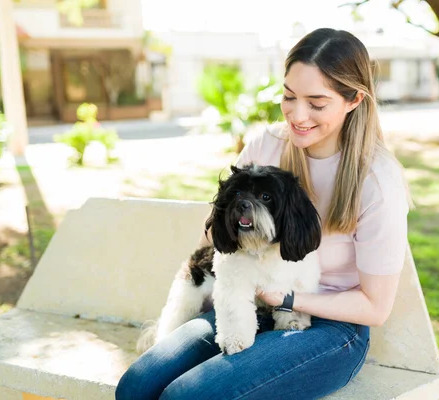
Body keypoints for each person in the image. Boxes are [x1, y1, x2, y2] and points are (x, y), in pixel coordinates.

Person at [116, 27, 411, 400]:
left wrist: (285, 300)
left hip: (335, 329)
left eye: (316, 103)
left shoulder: (376, 181)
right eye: (289, 97)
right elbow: (218, 235)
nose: (297, 115)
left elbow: (375, 307)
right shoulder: (265, 146)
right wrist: (221, 289)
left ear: (353, 100)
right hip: (249, 303)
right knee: (136, 385)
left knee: (186, 396)